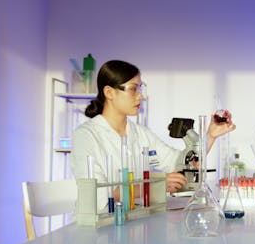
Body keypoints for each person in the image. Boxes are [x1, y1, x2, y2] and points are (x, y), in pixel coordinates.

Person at [71, 60, 236, 211]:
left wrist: (210, 136)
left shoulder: (139, 133)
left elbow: (178, 164)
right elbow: (96, 195)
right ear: (109, 92)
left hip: (133, 220)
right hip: (99, 227)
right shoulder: (86, 136)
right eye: (133, 89)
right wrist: (156, 185)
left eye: (140, 88)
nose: (140, 95)